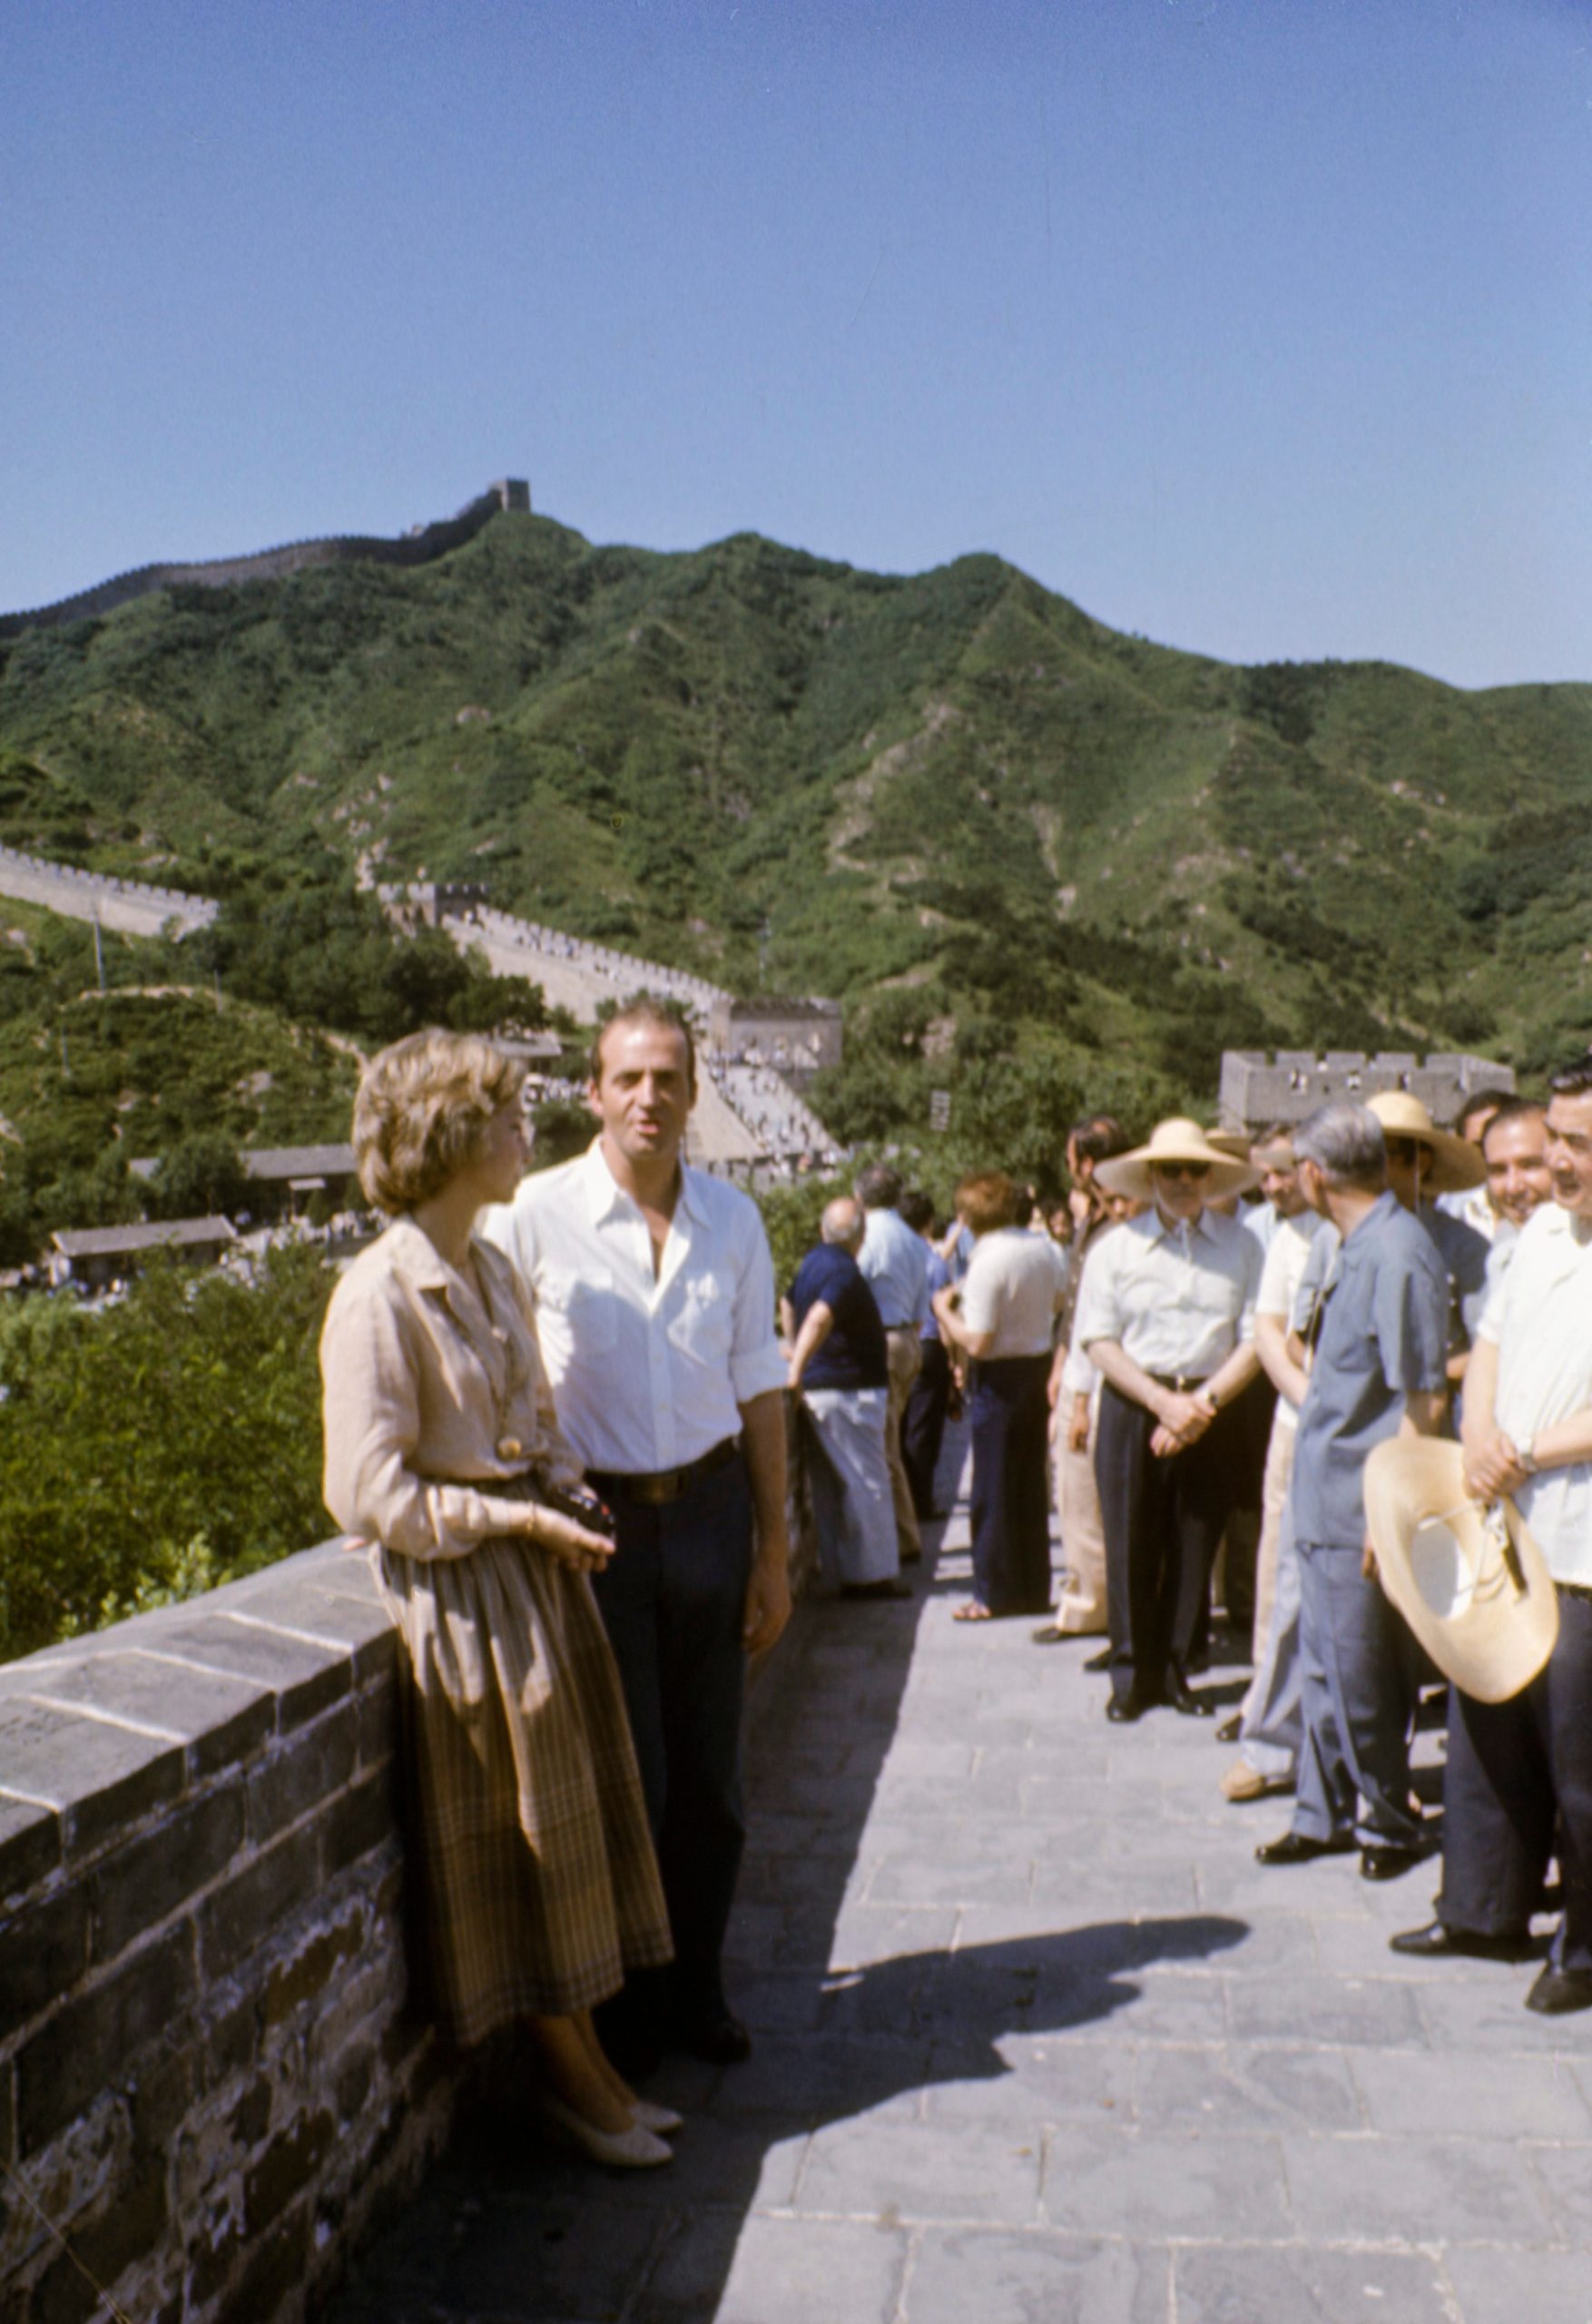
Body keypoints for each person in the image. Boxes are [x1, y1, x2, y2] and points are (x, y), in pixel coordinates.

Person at [319, 1030, 678, 2169]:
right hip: (464, 1610)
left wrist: (561, 1487)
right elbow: (370, 1490)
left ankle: (595, 2068)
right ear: (448, 1134)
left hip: (529, 1592)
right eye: (509, 1112)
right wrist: (516, 1518)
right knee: (522, 1854)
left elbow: (527, 1423)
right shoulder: (377, 1293)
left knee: (567, 1848)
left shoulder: (488, 1267)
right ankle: (571, 2081)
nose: (528, 1130)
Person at [485, 1000, 791, 2069]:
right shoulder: (531, 1213)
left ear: (694, 1091)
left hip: (710, 1513)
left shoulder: (734, 1221)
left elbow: (758, 1384)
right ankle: (624, 2008)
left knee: (711, 1783)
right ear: (592, 1092)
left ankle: (696, 1990)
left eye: (667, 1077)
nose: (648, 1097)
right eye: (628, 1078)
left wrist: (773, 1549)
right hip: (597, 1528)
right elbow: (489, 1367)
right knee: (631, 1782)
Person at [1391, 1055, 1592, 2013]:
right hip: (1505, 1515)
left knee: (1575, 1750)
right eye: (1556, 1139)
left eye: (1577, 1145)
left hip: (1580, 1536)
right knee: (1483, 1724)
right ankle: (1479, 1908)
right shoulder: (1541, 1235)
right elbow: (1493, 1343)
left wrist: (1527, 1449)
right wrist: (1476, 1436)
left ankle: (1584, 1945)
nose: (1557, 1163)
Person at [1255, 1101, 1450, 1881]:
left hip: (1359, 1496)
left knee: (1363, 1672)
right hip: (1323, 1488)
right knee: (1323, 1665)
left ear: (1313, 1173)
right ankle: (1323, 1810)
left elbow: (1424, 1399)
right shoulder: (1349, 1244)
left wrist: (1391, 1512)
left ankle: (1391, 1819)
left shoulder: (1397, 1253)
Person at [1074, 1120, 1262, 1718]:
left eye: (1195, 1170)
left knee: (1194, 1538)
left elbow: (1258, 1338)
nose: (1184, 1182)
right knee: (1129, 1539)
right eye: (1171, 1171)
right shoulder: (1117, 1248)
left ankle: (1181, 1668)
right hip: (1137, 1402)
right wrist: (1162, 1404)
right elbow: (1098, 1341)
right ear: (1150, 1177)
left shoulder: (1242, 1246)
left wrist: (1200, 1405)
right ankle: (1132, 1676)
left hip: (1212, 1405)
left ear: (1211, 1176)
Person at [1218, 1129, 1322, 1801]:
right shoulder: (1286, 1238)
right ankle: (1268, 1721)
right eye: (1266, 1176)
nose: (1273, 1187)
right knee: (1279, 1583)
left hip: (1369, 1437)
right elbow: (1271, 1331)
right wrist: (1310, 1399)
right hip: (1296, 1424)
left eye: (1284, 1173)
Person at [933, 1170, 1068, 1620]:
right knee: (1029, 1486)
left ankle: (992, 1592)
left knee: (992, 1488)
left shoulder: (988, 1262)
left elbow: (977, 1342)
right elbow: (1057, 1305)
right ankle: (1032, 1587)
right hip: (1037, 1366)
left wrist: (942, 1314)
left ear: (966, 1216)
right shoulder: (1045, 1249)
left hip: (999, 1377)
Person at [1033, 1118, 1134, 1648]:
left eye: (1072, 1157)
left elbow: (1099, 1314)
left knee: (1083, 1494)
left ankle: (1090, 1605)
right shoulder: (1095, 1218)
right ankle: (1091, 1600)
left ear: (1087, 1164)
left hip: (1096, 1376)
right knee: (1077, 1494)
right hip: (1077, 1368)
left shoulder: (1119, 1220)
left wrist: (1077, 1396)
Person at [784, 1196, 908, 1601]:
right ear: (859, 1237)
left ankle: (843, 1569)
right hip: (846, 1390)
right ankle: (871, 1578)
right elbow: (821, 1315)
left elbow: (787, 1302)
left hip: (826, 1389)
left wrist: (790, 1347)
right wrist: (796, 1368)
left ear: (823, 1230)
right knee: (868, 1483)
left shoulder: (811, 1263)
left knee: (834, 1486)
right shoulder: (843, 1272)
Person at [855, 1165, 932, 1565]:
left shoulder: (867, 1236)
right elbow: (923, 1306)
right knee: (892, 1441)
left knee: (884, 1449)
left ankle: (904, 1538)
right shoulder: (912, 1239)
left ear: (860, 1198)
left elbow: (853, 1287)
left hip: (881, 1342)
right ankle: (900, 1532)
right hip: (908, 1340)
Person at [899, 1187, 954, 1522]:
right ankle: (921, 1501)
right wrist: (955, 1363)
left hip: (897, 1341)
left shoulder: (896, 1255)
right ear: (930, 1222)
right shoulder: (934, 1263)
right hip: (930, 1347)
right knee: (925, 1429)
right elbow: (945, 1314)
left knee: (901, 1427)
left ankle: (903, 1503)